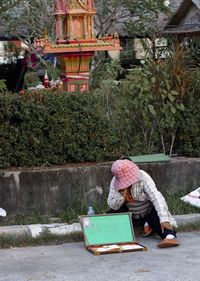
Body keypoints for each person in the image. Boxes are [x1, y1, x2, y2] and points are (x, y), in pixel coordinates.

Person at [107, 159, 180, 248]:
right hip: (132, 214)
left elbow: (156, 198)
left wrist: (164, 220)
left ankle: (169, 237)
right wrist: (121, 194)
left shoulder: (143, 177)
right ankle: (92, 233)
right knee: (109, 215)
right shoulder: (114, 182)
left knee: (158, 219)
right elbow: (112, 205)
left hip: (148, 211)